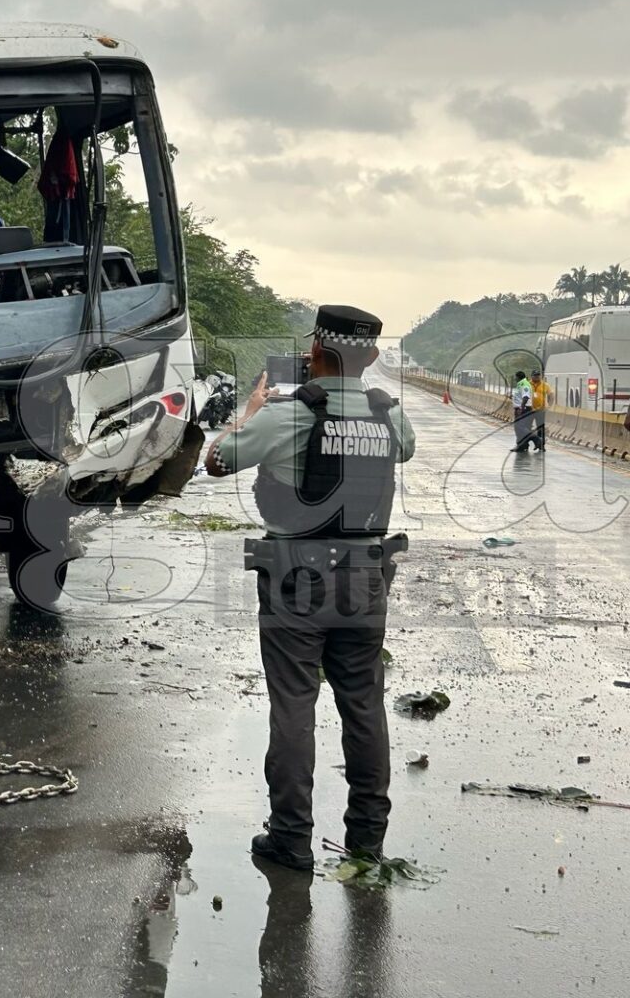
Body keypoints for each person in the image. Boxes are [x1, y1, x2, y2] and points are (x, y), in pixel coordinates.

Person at [204, 305, 416, 872]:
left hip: (297, 581)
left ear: (314, 351)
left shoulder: (289, 414)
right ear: (372, 356)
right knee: (364, 707)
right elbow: (406, 447)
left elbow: (217, 461)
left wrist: (249, 413)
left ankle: (291, 839)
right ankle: (367, 842)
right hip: (366, 579)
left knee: (294, 706)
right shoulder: (390, 415)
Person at [520, 370, 548, 453]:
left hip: (540, 410)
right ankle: (525, 445)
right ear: (531, 376)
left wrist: (549, 405)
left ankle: (541, 445)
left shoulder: (544, 385)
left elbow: (551, 394)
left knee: (541, 428)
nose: (537, 377)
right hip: (529, 410)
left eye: (538, 375)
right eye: (535, 375)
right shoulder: (527, 385)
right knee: (527, 428)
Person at [510, 372, 533, 453]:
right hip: (522, 408)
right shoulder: (520, 384)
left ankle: (535, 438)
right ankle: (523, 445)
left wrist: (521, 408)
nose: (514, 379)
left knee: (519, 428)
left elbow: (525, 397)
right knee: (522, 428)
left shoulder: (524, 384)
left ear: (518, 377)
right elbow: (520, 396)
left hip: (523, 409)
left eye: (515, 377)